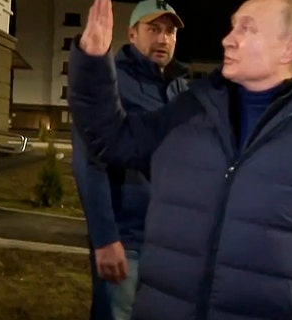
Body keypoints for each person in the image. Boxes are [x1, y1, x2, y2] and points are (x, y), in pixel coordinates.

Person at [69, 0, 292, 318]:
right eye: (233, 26)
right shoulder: (191, 110)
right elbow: (112, 139)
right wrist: (93, 61)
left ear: (289, 48)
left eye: (246, 28)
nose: (228, 39)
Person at [70, 0, 188, 319]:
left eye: (170, 31)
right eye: (153, 29)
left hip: (167, 242)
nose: (163, 39)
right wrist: (106, 238)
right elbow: (88, 163)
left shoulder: (179, 88)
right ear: (132, 34)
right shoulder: (110, 82)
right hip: (127, 238)